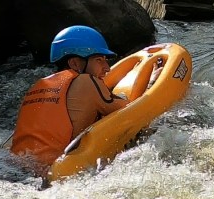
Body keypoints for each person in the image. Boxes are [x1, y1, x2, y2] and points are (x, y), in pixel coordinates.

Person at [10, 25, 130, 174]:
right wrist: (151, 81)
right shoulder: (86, 81)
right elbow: (130, 109)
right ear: (75, 63)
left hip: (16, 167)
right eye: (99, 60)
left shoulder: (38, 86)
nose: (107, 68)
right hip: (54, 172)